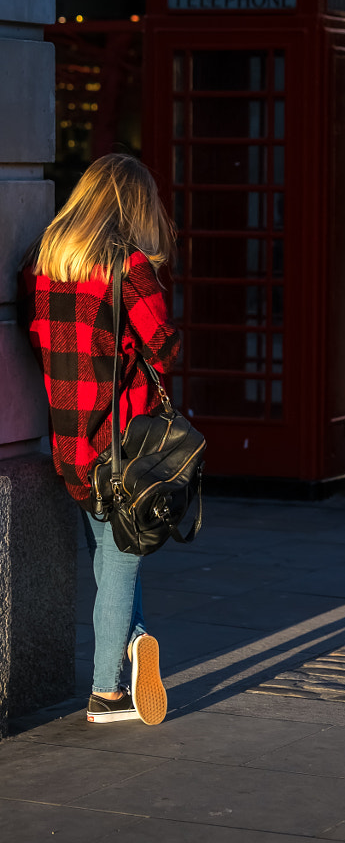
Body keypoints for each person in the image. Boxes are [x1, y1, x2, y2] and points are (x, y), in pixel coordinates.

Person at [19, 153, 181, 725]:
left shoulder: (46, 259)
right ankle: (108, 691)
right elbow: (163, 344)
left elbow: (34, 332)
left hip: (70, 443)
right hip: (124, 445)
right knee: (121, 565)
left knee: (112, 557)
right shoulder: (128, 266)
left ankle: (134, 646)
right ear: (134, 206)